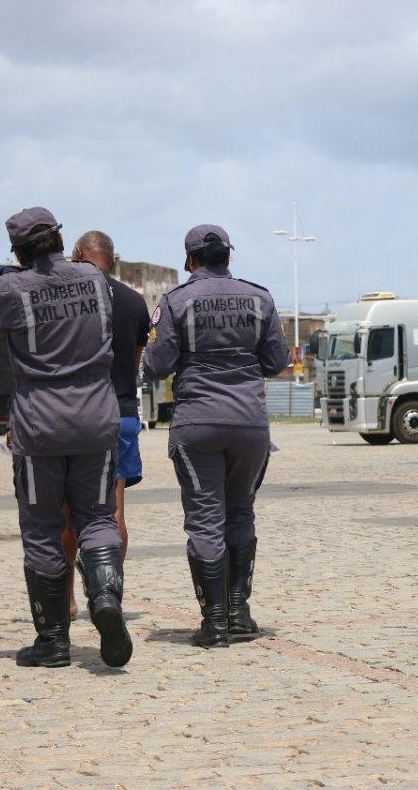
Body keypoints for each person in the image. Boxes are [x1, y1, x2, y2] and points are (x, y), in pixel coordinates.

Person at [0, 207, 132, 669]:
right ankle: (104, 598)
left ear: (18, 251)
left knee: (43, 527)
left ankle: (52, 641)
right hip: (97, 416)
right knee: (99, 517)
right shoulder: (93, 279)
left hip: (40, 423)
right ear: (62, 240)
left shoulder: (12, 288)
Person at [143, 224, 291, 648]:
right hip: (250, 423)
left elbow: (156, 365)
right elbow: (277, 360)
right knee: (240, 511)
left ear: (190, 260)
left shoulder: (175, 301)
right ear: (229, 256)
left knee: (206, 518)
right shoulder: (260, 298)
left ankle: (214, 622)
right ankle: (239, 612)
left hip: (198, 422)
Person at [61, 231, 149, 617]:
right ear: (112, 259)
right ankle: (110, 594)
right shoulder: (134, 301)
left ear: (79, 254)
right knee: (114, 513)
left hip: (78, 413)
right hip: (122, 412)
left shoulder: (69, 297)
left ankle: (66, 600)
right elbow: (135, 361)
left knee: (66, 514)